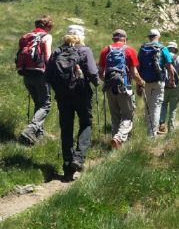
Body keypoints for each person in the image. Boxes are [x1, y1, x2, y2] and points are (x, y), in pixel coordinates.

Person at [45, 25, 99, 182]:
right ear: (81, 36)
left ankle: (67, 170)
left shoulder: (57, 51)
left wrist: (58, 88)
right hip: (81, 93)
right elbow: (92, 73)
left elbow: (47, 77)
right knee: (86, 123)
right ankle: (79, 157)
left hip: (62, 96)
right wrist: (96, 82)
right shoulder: (85, 50)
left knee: (66, 129)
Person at [98, 29, 145, 149]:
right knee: (127, 115)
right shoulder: (129, 50)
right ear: (124, 39)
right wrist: (142, 83)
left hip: (109, 88)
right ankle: (118, 138)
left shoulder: (105, 50)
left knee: (115, 116)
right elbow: (134, 74)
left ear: (113, 39)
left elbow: (101, 74)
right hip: (124, 87)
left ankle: (115, 144)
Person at [19, 15, 55, 145]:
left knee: (39, 105)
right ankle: (31, 129)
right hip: (40, 74)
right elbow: (48, 56)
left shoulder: (26, 37)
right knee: (46, 105)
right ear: (47, 26)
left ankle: (38, 135)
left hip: (26, 75)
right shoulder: (46, 37)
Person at [136, 29, 174, 138]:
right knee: (156, 108)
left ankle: (149, 131)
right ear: (159, 37)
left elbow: (138, 68)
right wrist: (172, 80)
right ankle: (152, 134)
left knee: (148, 107)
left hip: (144, 82)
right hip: (159, 82)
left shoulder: (142, 48)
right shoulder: (163, 49)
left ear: (149, 37)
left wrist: (138, 85)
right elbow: (169, 68)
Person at [159, 41, 179, 133]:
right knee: (173, 107)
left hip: (163, 85)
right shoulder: (177, 58)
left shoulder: (162, 57)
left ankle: (162, 123)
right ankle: (170, 127)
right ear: (175, 49)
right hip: (175, 85)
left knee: (163, 104)